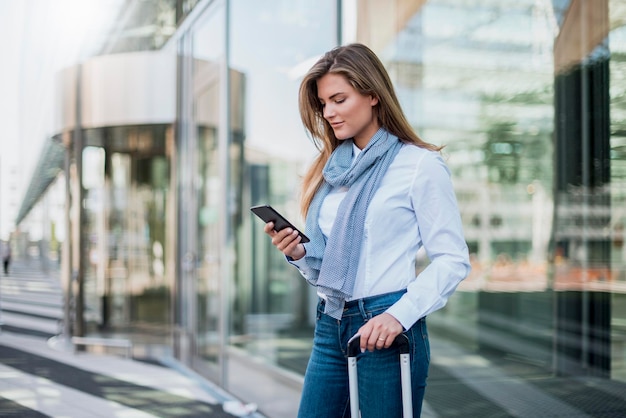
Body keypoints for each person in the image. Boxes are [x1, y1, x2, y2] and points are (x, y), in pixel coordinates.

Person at [262, 43, 470, 417]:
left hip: (386, 327)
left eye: (339, 99)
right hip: (331, 323)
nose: (329, 113)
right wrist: (298, 252)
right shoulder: (330, 170)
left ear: (373, 94)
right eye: (324, 104)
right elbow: (330, 264)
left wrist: (399, 315)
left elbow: (453, 260)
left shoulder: (419, 165)